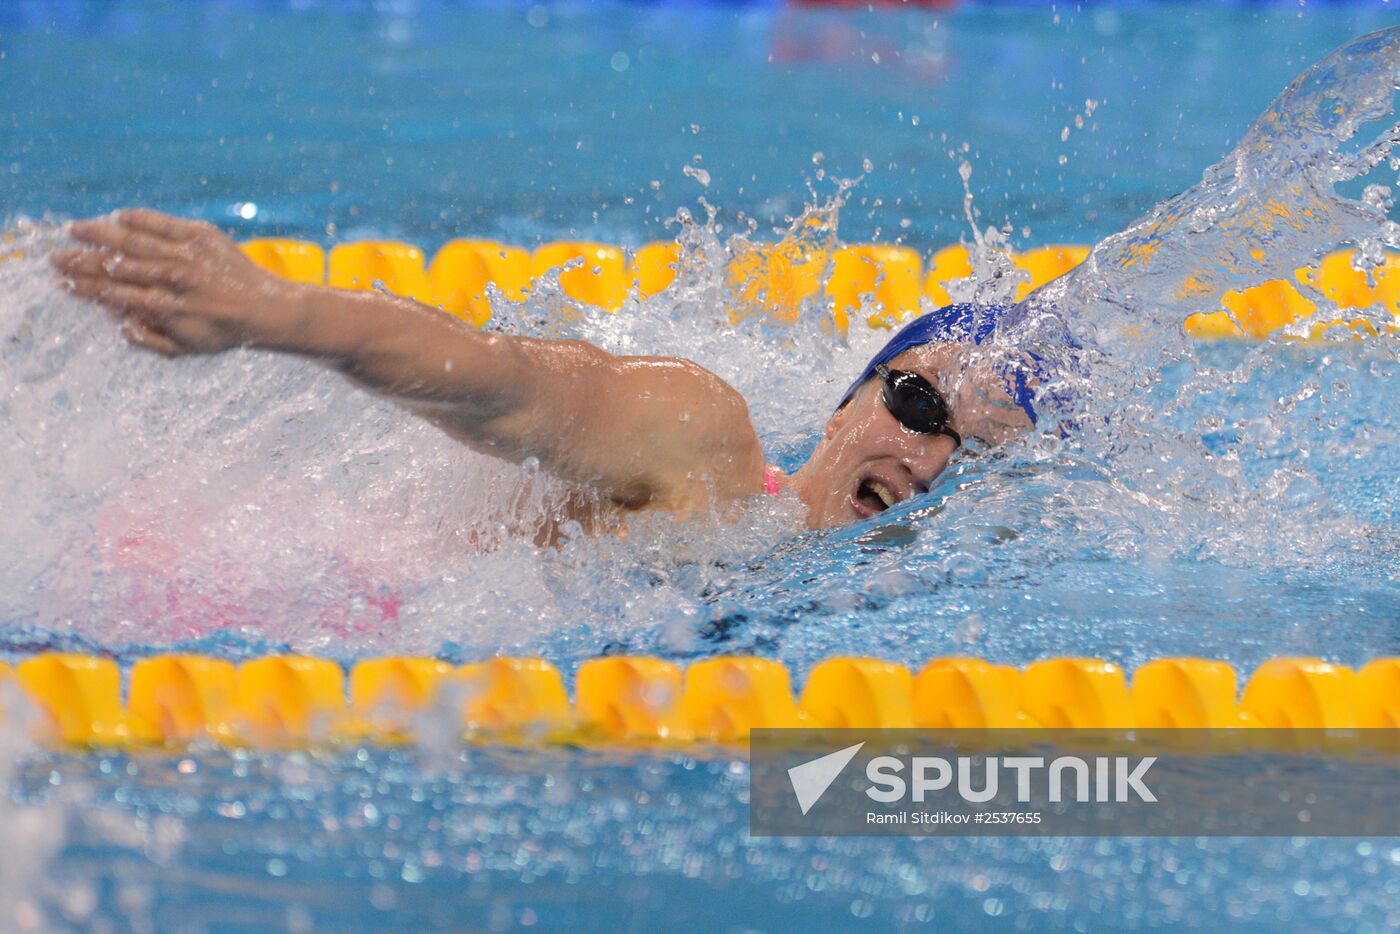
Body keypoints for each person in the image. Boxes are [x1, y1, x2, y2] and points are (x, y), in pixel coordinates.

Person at [50, 209, 1036, 533]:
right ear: (845, 401)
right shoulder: (707, 448)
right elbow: (501, 381)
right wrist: (281, 310)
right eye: (915, 401)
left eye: (972, 450)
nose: (927, 457)